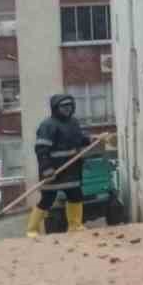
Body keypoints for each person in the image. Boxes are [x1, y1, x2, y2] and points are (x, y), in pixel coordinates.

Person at [26, 94, 92, 237]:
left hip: (72, 169)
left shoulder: (74, 123)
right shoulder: (47, 125)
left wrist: (90, 139)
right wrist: (46, 168)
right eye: (64, 106)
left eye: (69, 105)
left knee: (76, 195)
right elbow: (41, 150)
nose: (67, 109)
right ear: (56, 108)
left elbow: (78, 139)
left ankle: (75, 226)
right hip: (53, 171)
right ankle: (32, 229)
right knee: (47, 200)